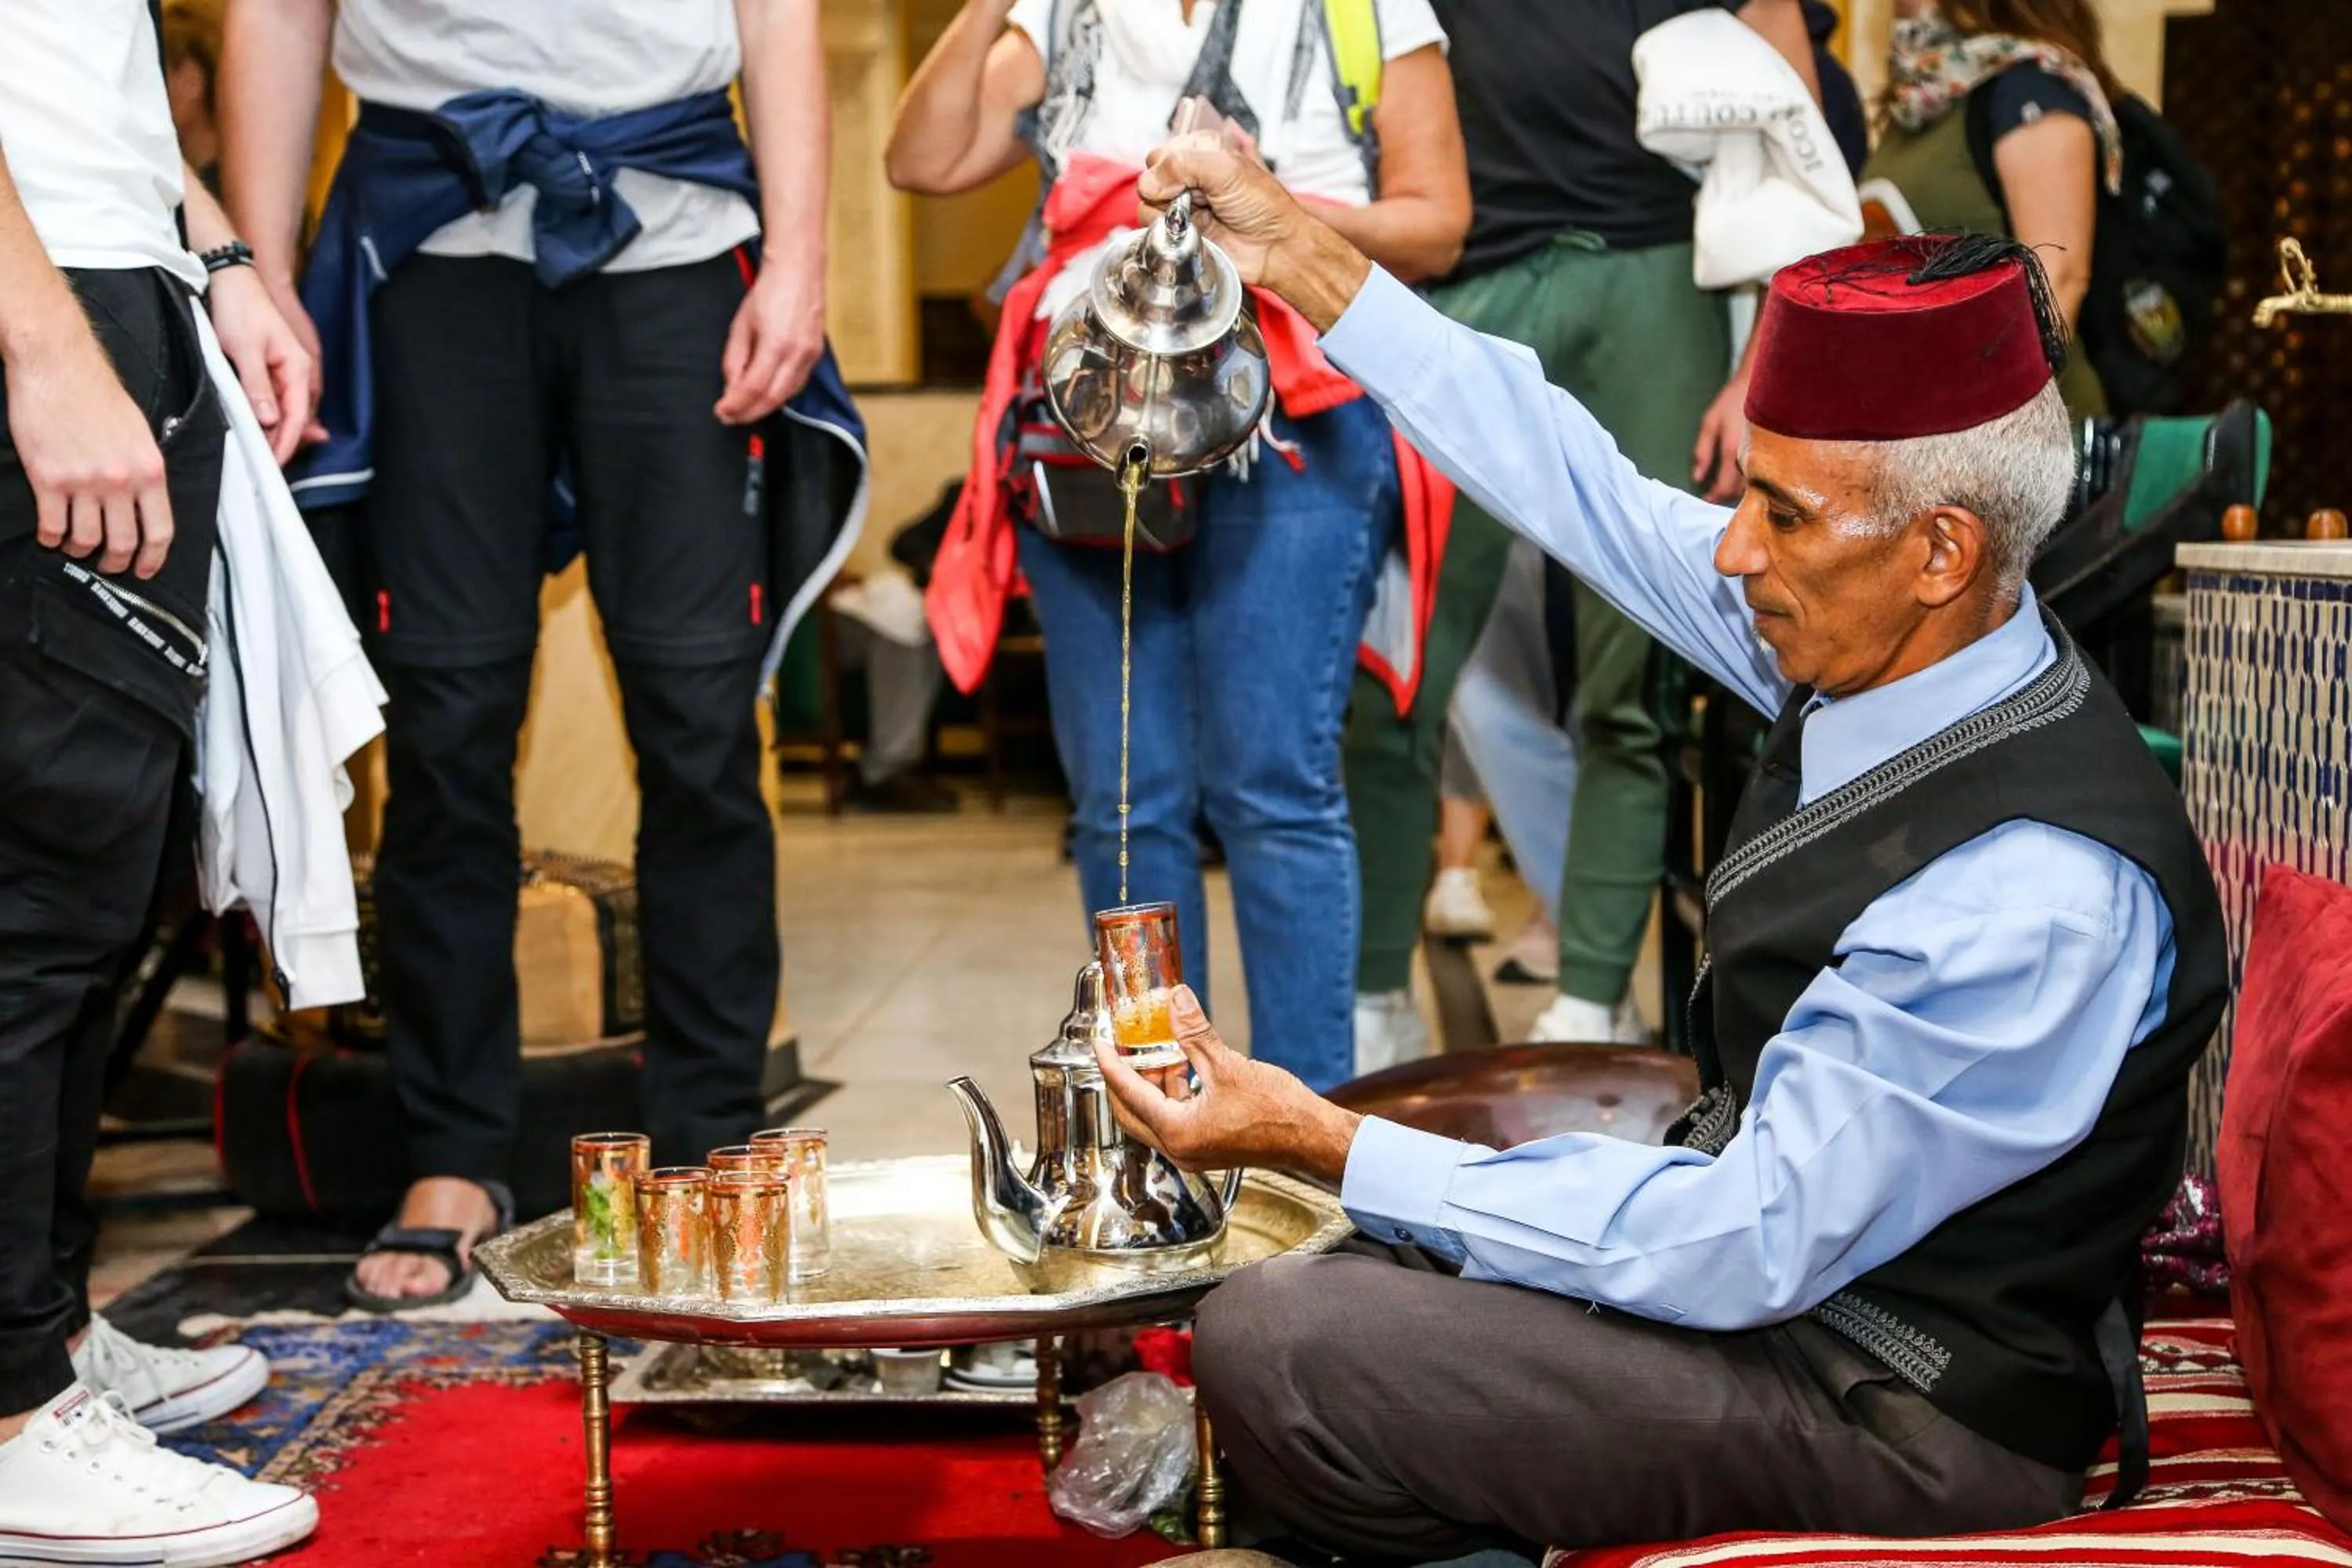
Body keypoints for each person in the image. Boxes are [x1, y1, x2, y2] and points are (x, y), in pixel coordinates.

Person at [1096, 140, 2230, 1558]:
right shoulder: (1903, 644)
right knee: (1378, 1243)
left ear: (1942, 549)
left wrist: (1323, 1138)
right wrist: (1306, 259)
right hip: (1805, 1300)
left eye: (1783, 513)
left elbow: (1749, 1239)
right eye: (1751, 493)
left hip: (1907, 1409)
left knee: (1284, 1335)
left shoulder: (2037, 890)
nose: (1737, 553)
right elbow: (1576, 483)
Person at [220, 0, 848, 1308]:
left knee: (700, 721)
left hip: (682, 236)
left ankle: (712, 1143)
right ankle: (453, 1153)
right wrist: (261, 267)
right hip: (425, 243)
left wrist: (801, 256)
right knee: (444, 726)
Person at [891, 0, 1471, 1091]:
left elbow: (1439, 220)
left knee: (1274, 786)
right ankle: (1164, 1126)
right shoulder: (1060, 12)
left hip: (1295, 398)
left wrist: (1261, 218)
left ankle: (1308, 1154)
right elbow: (920, 159)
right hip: (1098, 405)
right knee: (1124, 798)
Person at [1346, 0, 1824, 1068]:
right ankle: (1374, 987)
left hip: (1656, 277)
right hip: (1465, 279)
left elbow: (1795, 130)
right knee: (1396, 668)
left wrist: (1762, 365)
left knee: (1637, 678)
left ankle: (1593, 995)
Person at [0, 2, 323, 1559]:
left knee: (109, 866)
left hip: (107, 261)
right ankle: (8, 1414)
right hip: (36, 293)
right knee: (35, 885)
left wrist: (217, 258)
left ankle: (45, 1325)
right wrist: (43, 340)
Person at [1862, 0, 2122, 421]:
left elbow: (2059, 279)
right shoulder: (1923, 98)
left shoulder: (2032, 86)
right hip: (1927, 421)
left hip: (2020, 443)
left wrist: (1972, 422)